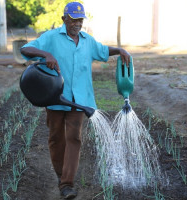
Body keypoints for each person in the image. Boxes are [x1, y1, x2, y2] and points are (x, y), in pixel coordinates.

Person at [21, 2, 131, 199]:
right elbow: (26, 49)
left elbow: (103, 51)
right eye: (73, 19)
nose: (77, 23)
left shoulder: (88, 41)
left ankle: (66, 184)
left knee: (75, 138)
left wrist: (120, 50)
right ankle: (61, 175)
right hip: (54, 97)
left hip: (80, 100)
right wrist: (46, 54)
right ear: (65, 19)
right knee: (56, 139)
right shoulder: (51, 37)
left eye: (80, 20)